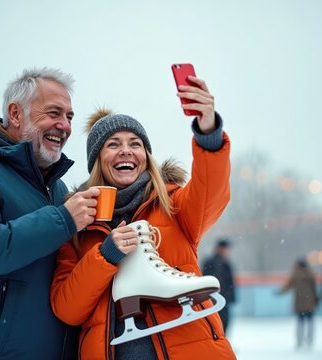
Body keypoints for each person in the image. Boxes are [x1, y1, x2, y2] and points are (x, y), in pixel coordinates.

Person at [50, 75, 236, 359]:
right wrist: (105, 255)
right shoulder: (78, 223)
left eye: (135, 143)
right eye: (113, 144)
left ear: (146, 156)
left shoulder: (173, 205)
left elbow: (212, 194)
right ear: (97, 160)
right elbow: (67, 309)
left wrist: (207, 132)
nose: (126, 150)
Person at [0, 67, 101, 360]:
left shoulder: (57, 189)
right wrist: (63, 220)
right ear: (15, 114)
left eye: (69, 117)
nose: (64, 126)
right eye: (54, 113)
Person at [277, 258, 318, 349]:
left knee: (300, 322)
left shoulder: (296, 275)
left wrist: (279, 292)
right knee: (310, 321)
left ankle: (299, 340)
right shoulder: (310, 275)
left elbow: (288, 286)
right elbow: (314, 289)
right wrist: (316, 300)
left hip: (299, 303)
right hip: (310, 302)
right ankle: (310, 339)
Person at [202, 238, 236, 333]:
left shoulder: (223, 263)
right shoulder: (216, 263)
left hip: (219, 300)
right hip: (217, 300)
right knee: (219, 326)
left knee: (219, 326)